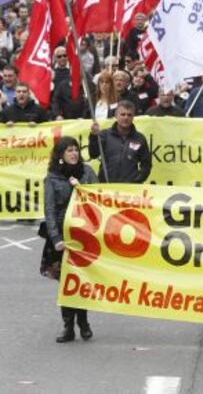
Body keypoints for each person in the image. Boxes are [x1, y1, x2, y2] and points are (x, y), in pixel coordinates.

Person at [42, 137, 98, 343]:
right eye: (69, 151)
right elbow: (49, 210)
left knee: (81, 279)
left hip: (84, 234)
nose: (74, 153)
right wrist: (55, 237)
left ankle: (83, 322)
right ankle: (68, 326)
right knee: (67, 281)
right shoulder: (52, 178)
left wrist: (81, 187)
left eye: (75, 149)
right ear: (61, 155)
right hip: (62, 238)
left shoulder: (87, 172)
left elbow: (100, 198)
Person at [89, 100, 152, 183]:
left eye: (129, 115)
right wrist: (93, 136)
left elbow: (146, 165)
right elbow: (93, 154)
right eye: (123, 114)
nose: (126, 117)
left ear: (133, 117)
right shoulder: (105, 135)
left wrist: (137, 181)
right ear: (116, 115)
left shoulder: (140, 138)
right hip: (106, 186)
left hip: (129, 190)